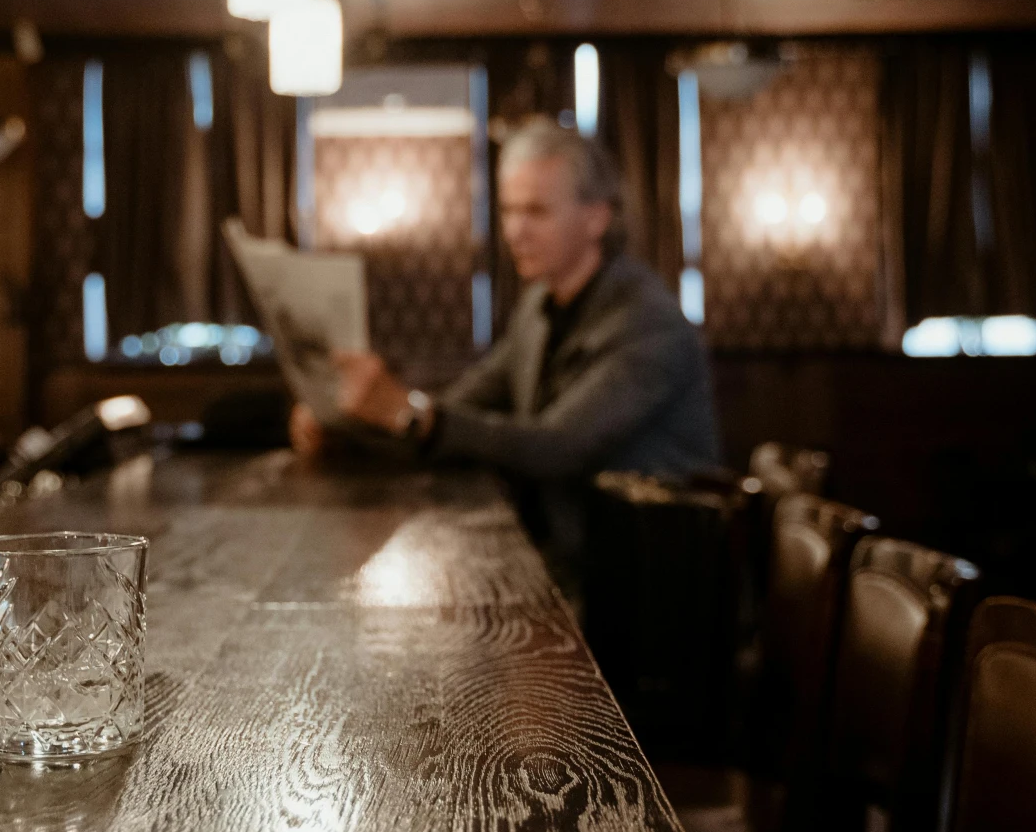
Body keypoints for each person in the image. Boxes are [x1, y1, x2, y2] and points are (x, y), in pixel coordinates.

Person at [294, 116, 721, 580]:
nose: (515, 231)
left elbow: (557, 446)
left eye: (536, 212)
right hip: (575, 567)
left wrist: (410, 414)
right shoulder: (539, 305)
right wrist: (348, 426)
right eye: (509, 211)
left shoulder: (647, 321)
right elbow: (463, 403)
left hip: (653, 591)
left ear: (597, 217)